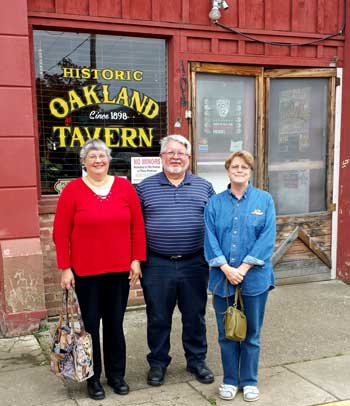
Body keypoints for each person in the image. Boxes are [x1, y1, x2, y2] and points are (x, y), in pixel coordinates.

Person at [53, 139, 146, 400]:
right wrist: (65, 268)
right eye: (91, 156)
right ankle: (93, 379)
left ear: (108, 160)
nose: (97, 160)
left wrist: (136, 259)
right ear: (84, 161)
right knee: (90, 327)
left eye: (102, 156)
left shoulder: (125, 187)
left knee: (115, 325)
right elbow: (60, 233)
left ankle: (117, 376)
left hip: (118, 270)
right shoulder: (72, 190)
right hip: (85, 272)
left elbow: (137, 226)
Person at [136, 134, 215, 387]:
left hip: (194, 263)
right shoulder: (145, 187)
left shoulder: (204, 186)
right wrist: (135, 260)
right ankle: (158, 363)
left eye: (181, 153)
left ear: (189, 158)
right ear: (161, 157)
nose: (175, 157)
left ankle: (196, 360)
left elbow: (216, 225)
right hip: (157, 264)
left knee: (195, 315)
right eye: (170, 153)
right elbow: (134, 228)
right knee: (158, 316)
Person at [204, 150, 276, 402]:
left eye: (244, 167)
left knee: (252, 333)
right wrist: (226, 268)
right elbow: (210, 239)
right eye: (235, 166)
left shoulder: (264, 200)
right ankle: (230, 380)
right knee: (227, 334)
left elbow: (267, 239)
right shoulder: (215, 203)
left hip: (255, 279)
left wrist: (243, 269)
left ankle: (249, 380)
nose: (239, 170)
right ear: (228, 170)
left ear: (250, 171)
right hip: (223, 279)